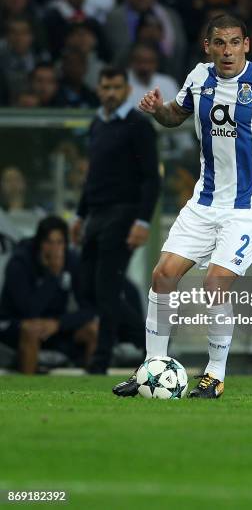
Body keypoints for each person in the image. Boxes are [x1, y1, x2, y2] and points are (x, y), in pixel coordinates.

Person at [113, 13, 252, 399]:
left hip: (246, 207)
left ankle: (215, 375)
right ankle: (152, 367)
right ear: (207, 46)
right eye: (219, 43)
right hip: (203, 202)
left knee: (215, 284)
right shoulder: (197, 78)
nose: (227, 51)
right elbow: (176, 115)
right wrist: (158, 109)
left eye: (235, 42)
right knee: (163, 275)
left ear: (247, 45)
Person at [71, 67, 160, 373]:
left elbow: (152, 178)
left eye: (116, 87)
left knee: (106, 287)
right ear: (98, 89)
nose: (110, 93)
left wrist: (143, 221)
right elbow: (91, 176)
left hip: (124, 212)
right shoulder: (98, 124)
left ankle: (100, 360)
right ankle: (148, 342)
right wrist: (79, 215)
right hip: (96, 212)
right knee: (86, 285)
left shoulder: (138, 126)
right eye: (106, 87)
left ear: (126, 90)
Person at [0, 216, 98, 373]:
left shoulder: (71, 260)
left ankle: (91, 390)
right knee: (31, 330)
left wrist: (59, 323)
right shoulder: (20, 263)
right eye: (49, 242)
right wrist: (53, 276)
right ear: (39, 243)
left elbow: (89, 309)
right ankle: (26, 393)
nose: (54, 249)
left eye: (59, 243)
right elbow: (28, 311)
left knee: (93, 330)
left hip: (54, 326)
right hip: (16, 325)